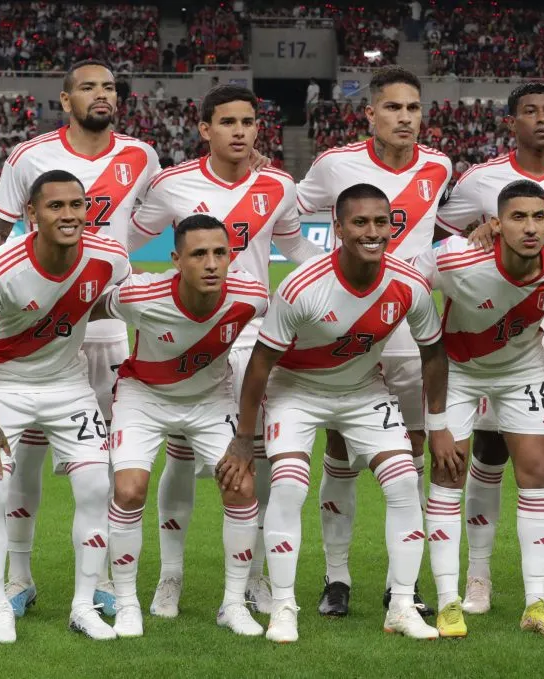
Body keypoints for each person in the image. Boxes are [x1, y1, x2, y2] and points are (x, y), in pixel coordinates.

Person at [215, 183, 454, 643]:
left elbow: (433, 353)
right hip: (296, 390)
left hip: (363, 390)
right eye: (360, 222)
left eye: (381, 222)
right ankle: (284, 607)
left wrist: (438, 426)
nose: (372, 232)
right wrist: (244, 439)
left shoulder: (409, 284)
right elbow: (261, 363)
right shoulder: (302, 286)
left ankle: (402, 606)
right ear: (338, 229)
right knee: (288, 485)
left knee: (404, 482)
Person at [128, 85, 324, 617]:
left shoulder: (278, 184)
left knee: (254, 456)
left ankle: (254, 577)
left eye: (248, 122)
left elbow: (294, 245)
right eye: (228, 122)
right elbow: (125, 242)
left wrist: (346, 263)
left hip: (254, 333)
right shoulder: (172, 184)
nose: (240, 131)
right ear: (205, 129)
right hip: (188, 334)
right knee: (180, 452)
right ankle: (170, 577)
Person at [0, 59, 161, 618]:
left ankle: (99, 576)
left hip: (106, 329)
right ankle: (19, 577)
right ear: (65, 99)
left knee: (100, 467)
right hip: (36, 331)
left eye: (109, 87)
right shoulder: (29, 156)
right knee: (25, 461)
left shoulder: (142, 156)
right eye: (88, 87)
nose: (101, 94)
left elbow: (170, 206)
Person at [436, 81, 544, 612]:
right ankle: (478, 576)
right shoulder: (480, 179)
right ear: (512, 121)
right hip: (491, 333)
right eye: (530, 111)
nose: (542, 119)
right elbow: (442, 233)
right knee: (487, 451)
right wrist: (481, 230)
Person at [295, 65, 451, 616]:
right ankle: (336, 578)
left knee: (409, 458)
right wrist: (313, 272)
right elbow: (288, 215)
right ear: (370, 114)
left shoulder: (439, 166)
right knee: (340, 453)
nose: (404, 118)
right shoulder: (335, 164)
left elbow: (445, 229)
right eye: (392, 107)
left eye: (412, 108)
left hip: (408, 329)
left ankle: (400, 583)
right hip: (346, 329)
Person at [0, 170, 130, 643]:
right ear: (32, 213)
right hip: (5, 388)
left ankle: (83, 606)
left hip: (68, 386)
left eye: (77, 205)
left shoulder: (111, 257)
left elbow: (107, 302)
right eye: (56, 206)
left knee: (96, 486)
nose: (69, 215)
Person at [416, 180, 544, 638]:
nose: (529, 227)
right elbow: (407, 285)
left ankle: (535, 602)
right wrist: (425, 344)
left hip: (522, 371)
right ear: (495, 225)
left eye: (538, 217)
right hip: (458, 372)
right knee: (448, 474)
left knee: (536, 474)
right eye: (517, 217)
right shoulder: (456, 258)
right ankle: (449, 601)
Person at [94, 215, 269, 638]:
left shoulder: (252, 296)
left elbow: (279, 341)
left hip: (210, 399)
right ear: (176, 259)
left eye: (220, 253)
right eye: (198, 254)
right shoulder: (140, 295)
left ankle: (232, 604)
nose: (211, 264)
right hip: (144, 397)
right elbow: (87, 308)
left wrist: (246, 436)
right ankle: (128, 603)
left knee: (241, 486)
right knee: (128, 490)